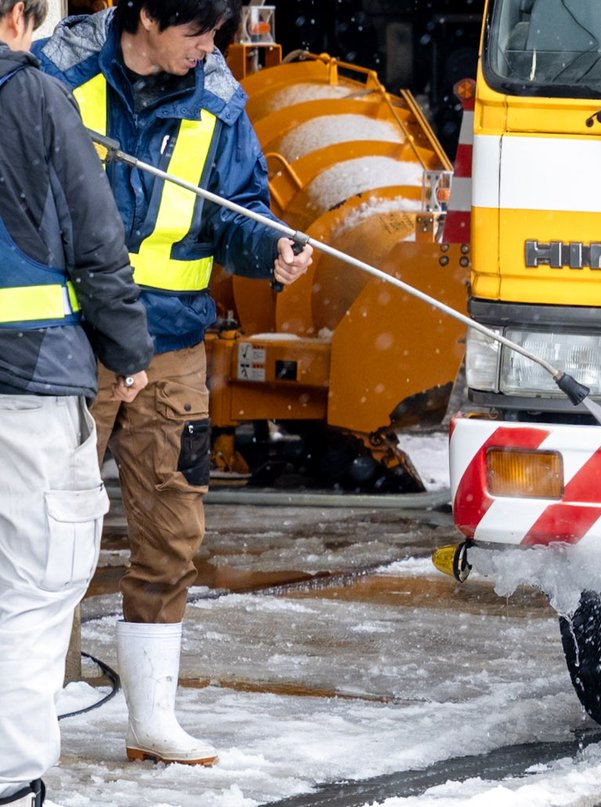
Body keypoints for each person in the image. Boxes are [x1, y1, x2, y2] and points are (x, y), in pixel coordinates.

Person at [34, 0, 313, 767]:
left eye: (218, 32)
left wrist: (271, 249)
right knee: (46, 533)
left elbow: (239, 210)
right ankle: (36, 712)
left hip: (173, 347)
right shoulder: (58, 78)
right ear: (148, 18)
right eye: (198, 32)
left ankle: (151, 719)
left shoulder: (219, 100)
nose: (211, 48)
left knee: (172, 533)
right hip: (71, 342)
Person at [0, 0, 154, 802]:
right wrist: (128, 350)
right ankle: (10, 777)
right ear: (19, 16)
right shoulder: (31, 96)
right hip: (25, 385)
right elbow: (98, 241)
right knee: (34, 583)